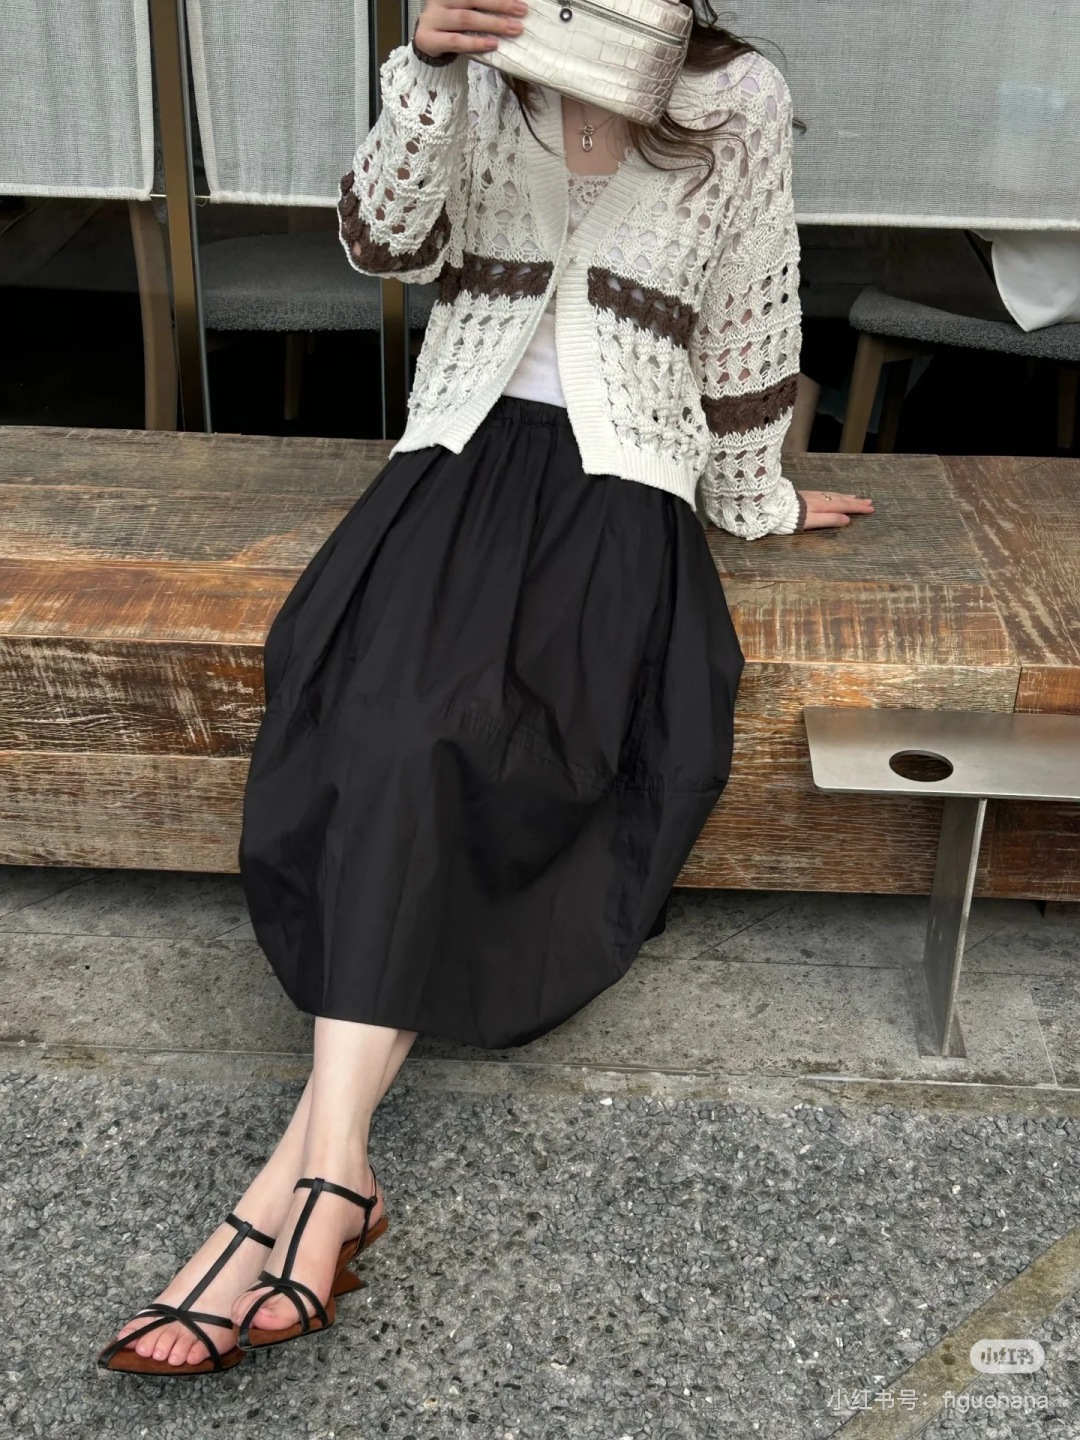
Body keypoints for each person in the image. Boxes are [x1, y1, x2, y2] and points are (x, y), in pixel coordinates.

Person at [97, 0, 873, 1375]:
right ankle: (329, 1178)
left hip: (620, 493)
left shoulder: (734, 93)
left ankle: (295, 1186)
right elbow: (382, 242)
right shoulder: (475, 61)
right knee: (393, 733)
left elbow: (754, 312)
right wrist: (428, 71)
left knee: (468, 745)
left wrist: (757, 496)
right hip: (454, 462)